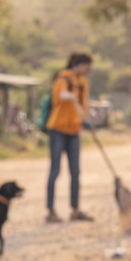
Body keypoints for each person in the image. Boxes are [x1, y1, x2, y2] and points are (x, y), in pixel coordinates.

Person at [45, 52, 94, 223]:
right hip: (57, 130)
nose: (88, 70)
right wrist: (72, 96)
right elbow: (60, 96)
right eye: (87, 66)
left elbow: (84, 104)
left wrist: (85, 119)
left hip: (74, 130)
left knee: (75, 171)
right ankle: (50, 211)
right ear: (79, 64)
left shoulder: (83, 82)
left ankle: (75, 210)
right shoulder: (63, 78)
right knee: (55, 170)